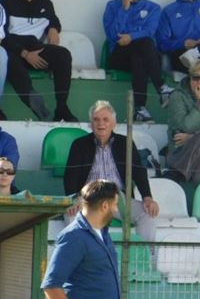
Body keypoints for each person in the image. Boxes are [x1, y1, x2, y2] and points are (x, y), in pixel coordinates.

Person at [63, 100, 159, 242]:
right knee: (71, 214)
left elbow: (139, 171)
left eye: (105, 119)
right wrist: (74, 199)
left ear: (114, 123)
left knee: (148, 214)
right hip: (89, 200)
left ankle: (144, 256)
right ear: (90, 124)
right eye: (96, 119)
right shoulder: (79, 145)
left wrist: (147, 197)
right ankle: (78, 255)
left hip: (118, 199)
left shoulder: (125, 143)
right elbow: (70, 176)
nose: (100, 123)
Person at [0, 0, 78, 122]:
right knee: (9, 61)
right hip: (14, 51)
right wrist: (25, 54)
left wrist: (53, 28)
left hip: (36, 49)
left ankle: (62, 107)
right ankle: (35, 103)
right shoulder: (5, 2)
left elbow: (54, 20)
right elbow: (0, 35)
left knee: (63, 54)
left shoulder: (45, 3)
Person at [103, 0, 174, 123]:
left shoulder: (153, 8)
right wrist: (124, 9)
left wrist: (130, 36)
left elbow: (150, 31)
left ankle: (139, 109)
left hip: (143, 55)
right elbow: (113, 35)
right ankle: (162, 88)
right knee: (144, 44)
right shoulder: (112, 6)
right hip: (119, 56)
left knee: (139, 55)